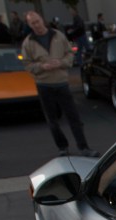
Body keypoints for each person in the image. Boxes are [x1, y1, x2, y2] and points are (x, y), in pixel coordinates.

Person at [21, 11, 98, 157]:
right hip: (44, 84)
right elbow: (27, 64)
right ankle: (62, 147)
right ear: (29, 25)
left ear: (42, 20)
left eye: (37, 21)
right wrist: (41, 67)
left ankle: (83, 147)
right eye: (32, 23)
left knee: (73, 117)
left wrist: (61, 63)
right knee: (52, 120)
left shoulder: (58, 35)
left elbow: (69, 53)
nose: (36, 25)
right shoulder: (28, 43)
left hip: (61, 83)